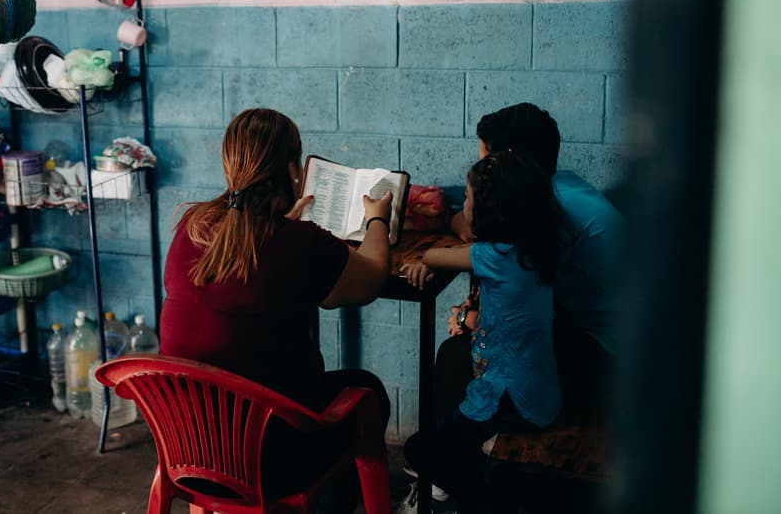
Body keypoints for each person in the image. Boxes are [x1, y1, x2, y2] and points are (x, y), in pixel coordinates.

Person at [159, 107, 394, 505]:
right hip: (269, 466)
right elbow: (370, 277)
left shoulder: (191, 225)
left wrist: (285, 221)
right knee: (367, 391)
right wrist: (377, 221)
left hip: (185, 454)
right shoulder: (298, 243)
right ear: (293, 170)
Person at [400, 152, 564, 513]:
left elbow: (435, 256)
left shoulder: (495, 256)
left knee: (417, 450)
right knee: (454, 367)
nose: (464, 204)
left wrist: (424, 262)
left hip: (509, 399)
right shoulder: (533, 249)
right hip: (538, 393)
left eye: (470, 199)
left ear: (491, 210)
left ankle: (483, 503)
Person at [443, 102, 623, 421]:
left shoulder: (550, 211)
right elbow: (468, 226)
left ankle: (449, 463)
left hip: (606, 360)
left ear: (509, 160)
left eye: (487, 163)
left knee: (457, 357)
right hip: (608, 339)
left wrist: (467, 320)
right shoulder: (562, 186)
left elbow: (513, 303)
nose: (482, 175)